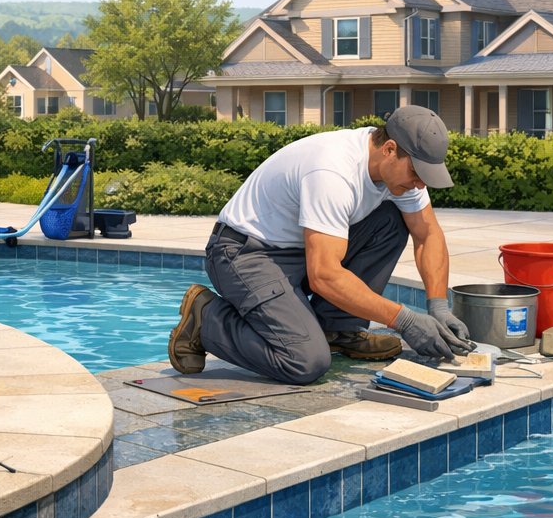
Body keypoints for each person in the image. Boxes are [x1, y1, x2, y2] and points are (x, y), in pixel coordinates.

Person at [167, 105, 473, 386]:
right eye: (417, 173)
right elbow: (324, 275)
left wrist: (439, 306)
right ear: (390, 149)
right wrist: (404, 320)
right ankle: (206, 318)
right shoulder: (333, 171)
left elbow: (428, 234)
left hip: (298, 249)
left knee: (392, 222)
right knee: (305, 361)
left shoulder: (400, 174)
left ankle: (337, 329)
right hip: (245, 254)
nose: (420, 184)